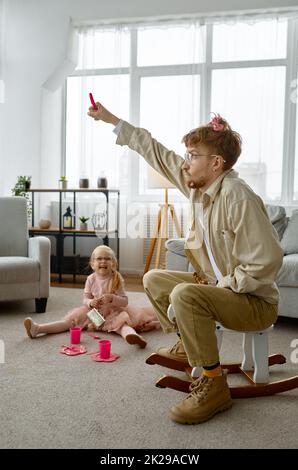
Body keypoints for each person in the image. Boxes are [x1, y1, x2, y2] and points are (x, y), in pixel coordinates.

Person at [87, 103, 283, 424]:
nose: (185, 162)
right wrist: (110, 119)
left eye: (193, 155)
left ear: (216, 163)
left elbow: (268, 258)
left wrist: (225, 285)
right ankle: (187, 344)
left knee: (185, 295)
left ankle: (212, 381)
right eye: (188, 154)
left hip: (254, 302)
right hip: (223, 291)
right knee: (154, 279)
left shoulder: (237, 196)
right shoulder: (199, 186)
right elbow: (155, 151)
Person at [24, 245, 160, 348]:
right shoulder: (91, 279)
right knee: (71, 321)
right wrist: (90, 303)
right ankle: (38, 329)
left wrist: (112, 298)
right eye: (99, 259)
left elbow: (125, 302)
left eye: (107, 259)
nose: (103, 261)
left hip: (112, 312)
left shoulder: (116, 278)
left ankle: (132, 336)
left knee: (121, 325)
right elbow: (85, 298)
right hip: (94, 314)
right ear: (92, 264)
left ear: (113, 263)